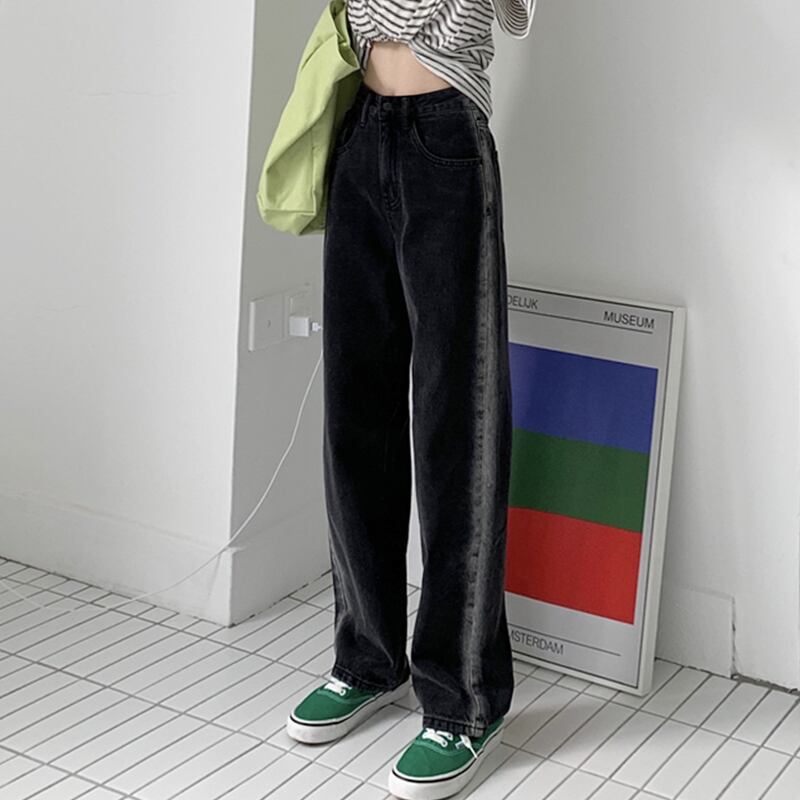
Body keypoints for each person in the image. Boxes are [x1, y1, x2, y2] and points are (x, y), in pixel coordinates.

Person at [287, 1, 535, 797]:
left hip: (447, 139)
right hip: (360, 133)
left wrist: (385, 14)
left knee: (456, 422)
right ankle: (368, 657)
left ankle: (463, 699)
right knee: (354, 416)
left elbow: (466, 13)